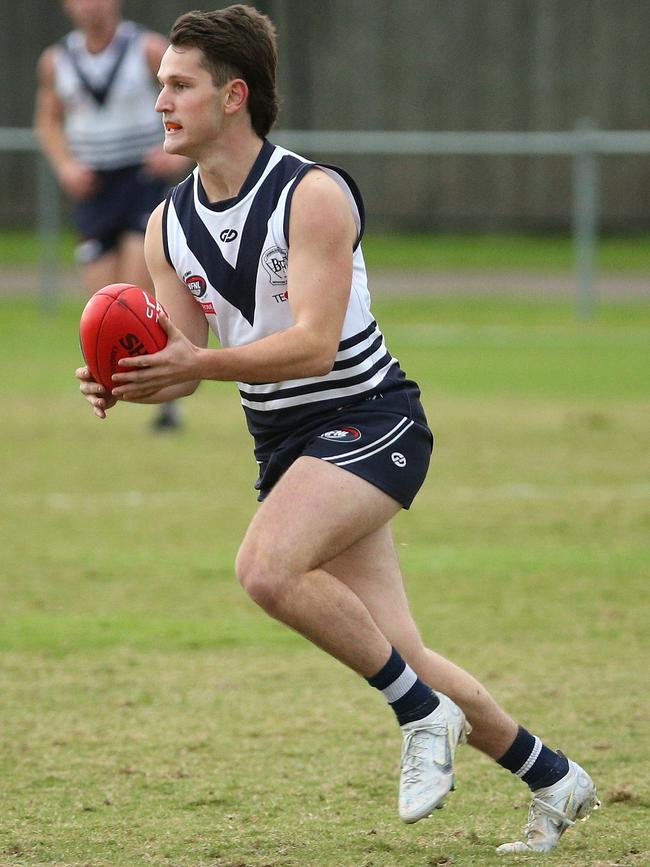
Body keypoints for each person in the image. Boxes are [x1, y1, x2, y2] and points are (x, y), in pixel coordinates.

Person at [75, 4, 599, 854]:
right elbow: (185, 355)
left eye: (178, 85)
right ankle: (556, 778)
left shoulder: (312, 194)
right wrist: (123, 378)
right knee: (402, 648)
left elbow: (315, 345)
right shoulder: (168, 224)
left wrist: (191, 368)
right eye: (159, 84)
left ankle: (423, 719)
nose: (160, 101)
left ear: (233, 95)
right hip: (288, 448)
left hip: (371, 419)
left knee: (265, 567)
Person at [35, 0, 188, 430]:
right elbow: (48, 119)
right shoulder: (56, 60)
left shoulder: (147, 48)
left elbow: (186, 96)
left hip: (141, 180)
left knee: (136, 288)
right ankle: (126, 383)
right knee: (102, 301)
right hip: (94, 188)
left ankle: (167, 397)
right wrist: (65, 164)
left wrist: (172, 155)